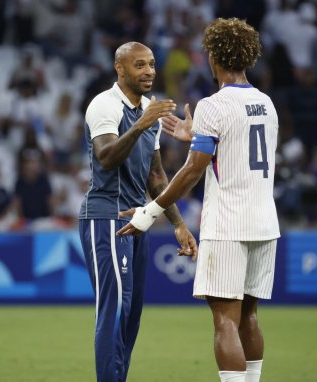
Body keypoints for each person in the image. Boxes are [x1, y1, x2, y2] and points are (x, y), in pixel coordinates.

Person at [117, 18, 279, 382]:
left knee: (225, 319)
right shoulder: (266, 104)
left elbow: (193, 170)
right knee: (249, 315)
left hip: (228, 223)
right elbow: (236, 151)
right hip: (265, 221)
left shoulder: (213, 105)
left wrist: (150, 211)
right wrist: (197, 136)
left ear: (213, 56)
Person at [78, 41, 197, 382]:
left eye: (152, 64)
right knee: (113, 312)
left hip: (136, 221)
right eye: (140, 65)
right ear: (120, 69)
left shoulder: (149, 110)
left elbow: (156, 176)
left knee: (130, 316)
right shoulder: (104, 104)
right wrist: (141, 125)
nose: (149, 72)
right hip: (106, 218)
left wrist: (177, 223)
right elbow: (106, 156)